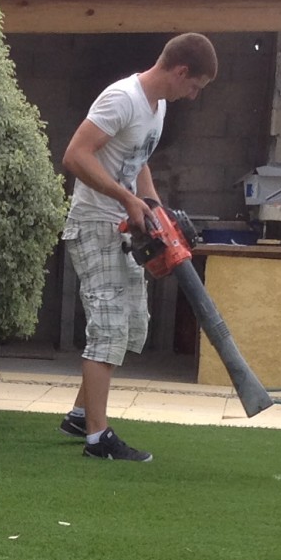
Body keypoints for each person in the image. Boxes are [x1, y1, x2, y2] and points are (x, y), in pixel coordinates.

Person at [58, 34, 218, 463]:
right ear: (181, 72)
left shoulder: (156, 107)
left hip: (125, 228)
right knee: (107, 327)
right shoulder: (122, 99)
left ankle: (79, 414)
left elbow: (138, 158)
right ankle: (97, 438)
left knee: (130, 326)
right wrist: (125, 199)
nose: (194, 95)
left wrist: (154, 209)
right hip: (95, 224)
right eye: (196, 86)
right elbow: (75, 155)